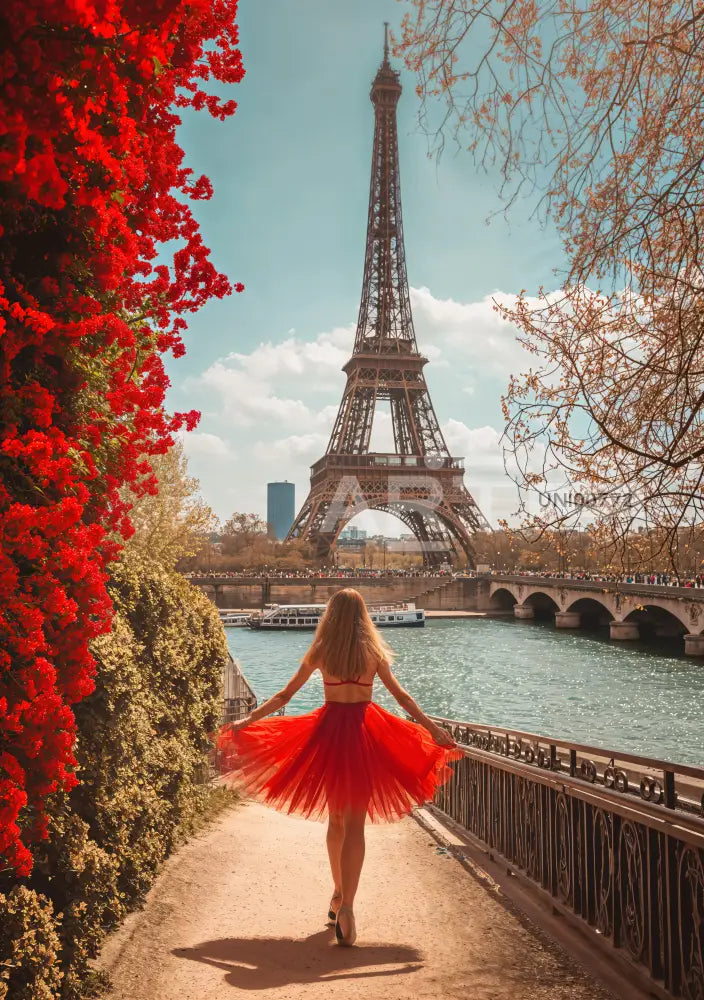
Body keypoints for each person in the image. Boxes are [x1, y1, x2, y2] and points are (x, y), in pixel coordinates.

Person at [216, 588, 462, 947]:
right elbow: (402, 698)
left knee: (335, 820)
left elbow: (285, 696)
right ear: (363, 616)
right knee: (356, 825)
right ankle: (347, 907)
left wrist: (247, 721)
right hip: (365, 733)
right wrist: (432, 728)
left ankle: (337, 891)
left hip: (329, 734)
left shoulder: (321, 651)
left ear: (330, 615)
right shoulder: (373, 653)